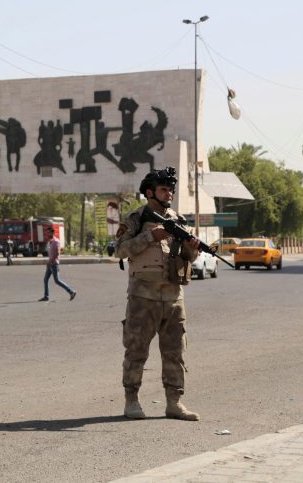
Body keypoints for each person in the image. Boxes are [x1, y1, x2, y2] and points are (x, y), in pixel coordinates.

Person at [114, 167, 201, 421]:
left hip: (174, 298)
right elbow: (120, 250)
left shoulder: (179, 219)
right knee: (136, 350)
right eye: (164, 189)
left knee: (175, 352)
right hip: (143, 298)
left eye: (171, 189)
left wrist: (191, 248)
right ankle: (132, 401)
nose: (169, 193)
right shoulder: (136, 218)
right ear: (150, 192)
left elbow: (188, 258)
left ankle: (174, 403)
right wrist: (151, 236)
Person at [39, 227, 77, 302]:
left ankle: (71, 292)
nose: (47, 234)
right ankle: (46, 296)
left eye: (48, 233)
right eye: (46, 233)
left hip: (53, 264)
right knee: (45, 279)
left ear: (52, 233)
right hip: (50, 264)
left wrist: (50, 261)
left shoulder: (56, 241)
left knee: (57, 280)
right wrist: (48, 262)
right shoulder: (50, 242)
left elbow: (57, 253)